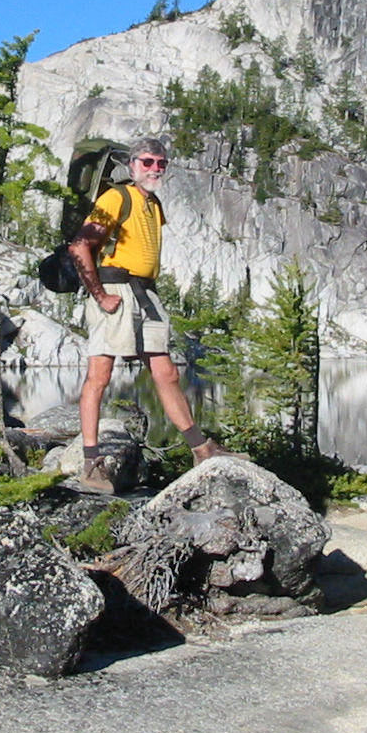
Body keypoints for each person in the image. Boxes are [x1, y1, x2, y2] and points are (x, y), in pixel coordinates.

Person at [68, 136, 238, 493]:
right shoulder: (116, 197)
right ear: (132, 165)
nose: (155, 169)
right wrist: (99, 295)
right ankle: (90, 464)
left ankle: (201, 448)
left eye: (161, 163)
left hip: (146, 294)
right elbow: (80, 245)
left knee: (166, 372)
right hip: (115, 291)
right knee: (99, 375)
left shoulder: (153, 204)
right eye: (148, 162)